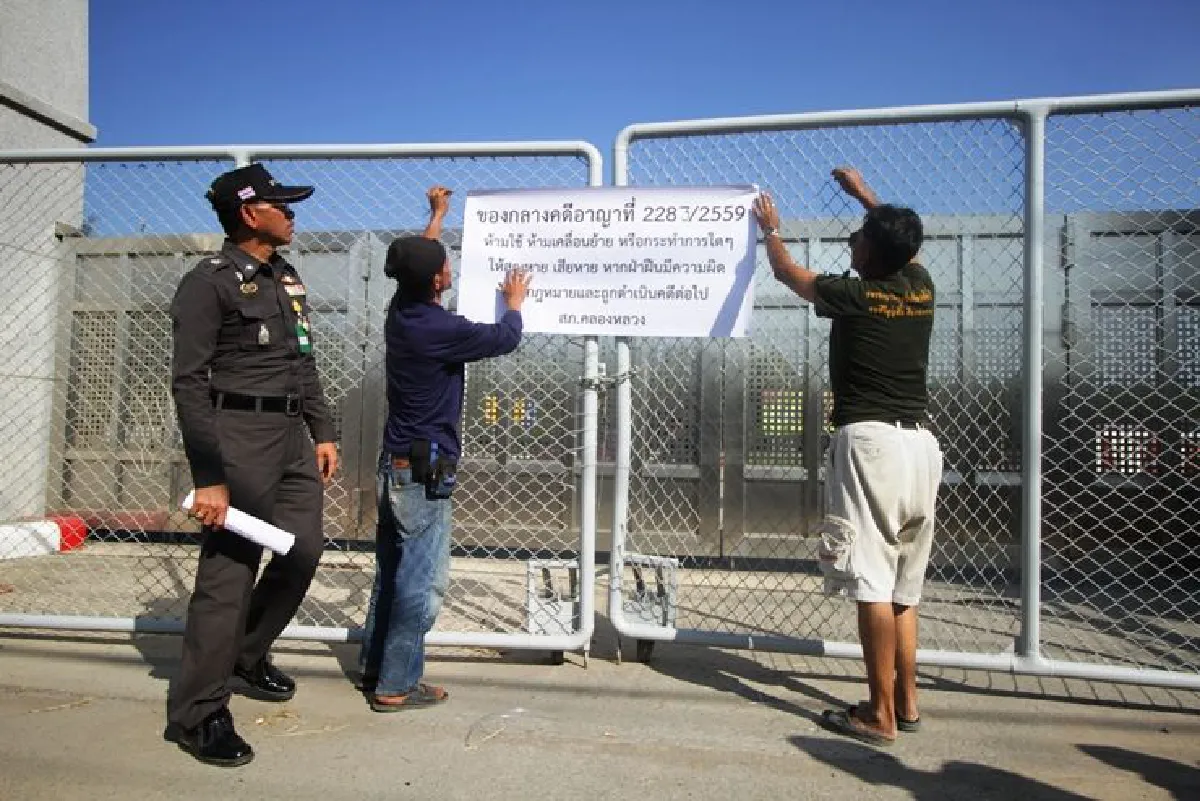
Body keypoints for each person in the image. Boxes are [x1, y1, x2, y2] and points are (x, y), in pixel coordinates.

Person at [753, 167, 942, 747]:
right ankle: (906, 703)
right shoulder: (919, 286)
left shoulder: (854, 296)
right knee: (905, 588)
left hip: (871, 446)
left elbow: (788, 275)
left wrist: (770, 230)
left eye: (859, 236)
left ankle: (879, 715)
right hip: (920, 447)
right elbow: (902, 240)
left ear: (874, 252)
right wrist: (867, 198)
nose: (850, 242)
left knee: (873, 585)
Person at [165, 163, 339, 766]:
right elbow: (188, 384)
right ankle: (198, 714)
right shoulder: (208, 282)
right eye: (281, 205)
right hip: (236, 435)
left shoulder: (285, 276)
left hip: (290, 435)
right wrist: (208, 474)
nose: (292, 213)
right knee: (229, 575)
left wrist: (323, 430)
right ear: (249, 214)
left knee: (305, 548)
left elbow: (305, 360)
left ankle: (245, 655)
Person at [357, 186, 531, 711]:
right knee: (421, 582)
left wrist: (435, 217)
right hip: (423, 472)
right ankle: (396, 686)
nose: (450, 265)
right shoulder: (440, 328)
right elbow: (504, 339)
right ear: (437, 280)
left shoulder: (402, 310)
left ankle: (379, 669)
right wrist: (515, 305)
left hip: (397, 466)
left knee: (391, 574)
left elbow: (416, 260)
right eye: (445, 263)